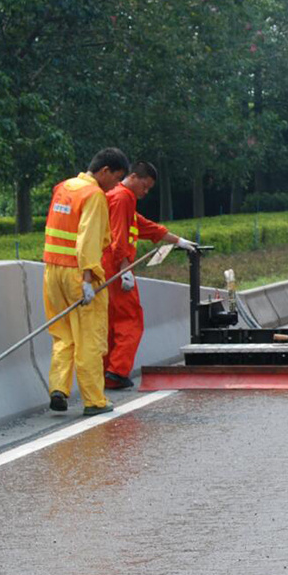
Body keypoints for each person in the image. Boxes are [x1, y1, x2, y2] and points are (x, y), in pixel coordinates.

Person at [43, 147, 130, 415]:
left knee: (63, 334)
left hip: (51, 273)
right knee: (90, 338)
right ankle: (94, 400)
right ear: (105, 171)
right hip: (78, 274)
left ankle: (59, 387)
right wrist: (87, 279)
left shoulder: (64, 187)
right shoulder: (94, 196)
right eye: (116, 178)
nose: (116, 185)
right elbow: (88, 240)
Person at [102, 161, 197, 389]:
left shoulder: (118, 198)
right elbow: (119, 237)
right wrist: (125, 269)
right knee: (130, 320)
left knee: (111, 322)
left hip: (107, 267)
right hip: (116, 268)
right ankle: (116, 372)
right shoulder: (123, 197)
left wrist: (178, 240)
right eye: (145, 186)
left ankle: (107, 372)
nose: (145, 192)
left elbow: (144, 226)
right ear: (133, 177)